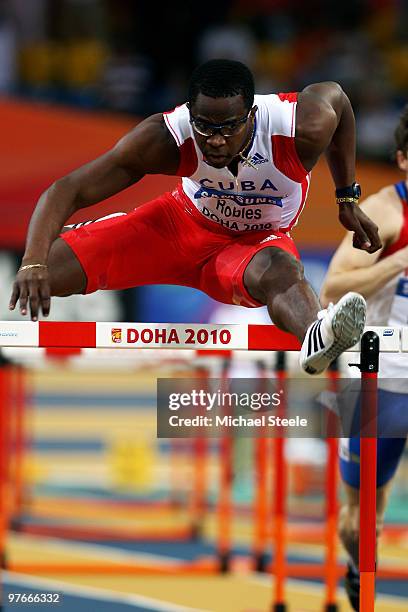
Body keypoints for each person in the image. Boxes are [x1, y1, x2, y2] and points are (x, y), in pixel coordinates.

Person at [9, 59, 381, 374]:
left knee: (280, 269)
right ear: (190, 114)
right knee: (48, 265)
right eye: (204, 126)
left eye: (229, 128)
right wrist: (32, 261)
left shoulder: (301, 125)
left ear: (251, 115)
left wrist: (347, 196)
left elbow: (341, 101)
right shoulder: (166, 136)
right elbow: (68, 189)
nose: (215, 141)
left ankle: (316, 335)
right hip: (176, 227)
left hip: (249, 248)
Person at [320, 105, 408, 610]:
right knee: (362, 522)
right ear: (401, 160)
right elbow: (334, 285)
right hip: (382, 383)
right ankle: (358, 564)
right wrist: (396, 259)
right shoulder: (386, 211)